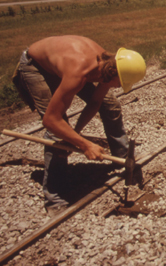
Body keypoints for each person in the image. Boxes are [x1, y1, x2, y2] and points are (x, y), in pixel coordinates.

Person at [12, 36, 146, 215]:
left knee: (110, 106)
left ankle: (122, 160)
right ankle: (54, 198)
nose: (118, 87)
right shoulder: (80, 72)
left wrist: (74, 135)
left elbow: (95, 102)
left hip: (63, 67)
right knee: (57, 130)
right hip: (35, 66)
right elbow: (51, 120)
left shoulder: (108, 65)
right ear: (115, 74)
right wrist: (84, 144)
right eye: (120, 84)